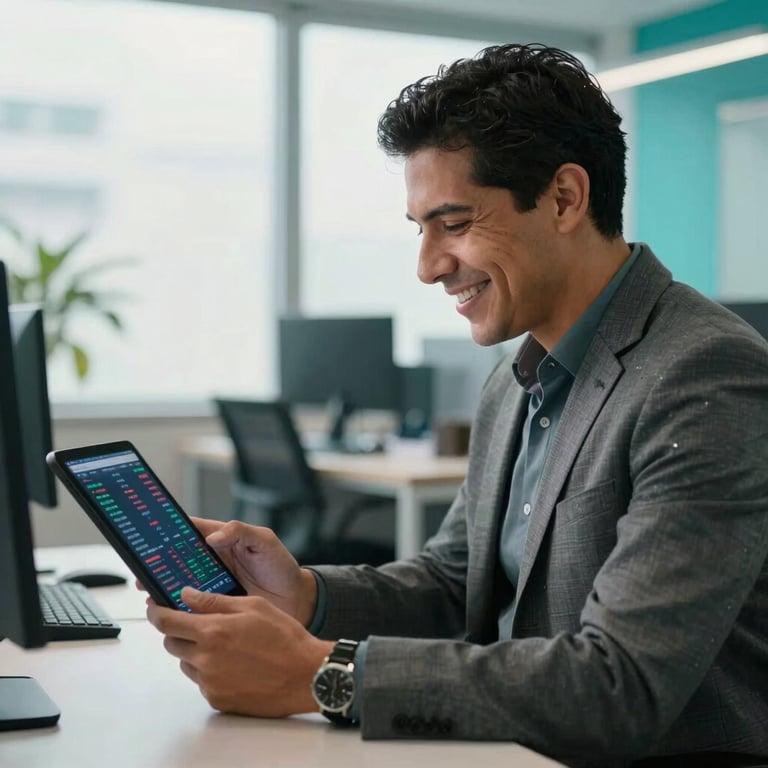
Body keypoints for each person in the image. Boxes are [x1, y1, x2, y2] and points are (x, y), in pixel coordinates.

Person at [146, 44, 768, 767]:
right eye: (420, 228)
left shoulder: (705, 376)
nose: (428, 266)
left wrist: (321, 674)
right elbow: (453, 586)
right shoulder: (515, 378)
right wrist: (307, 595)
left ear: (565, 198)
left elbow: (618, 685)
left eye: (455, 222)